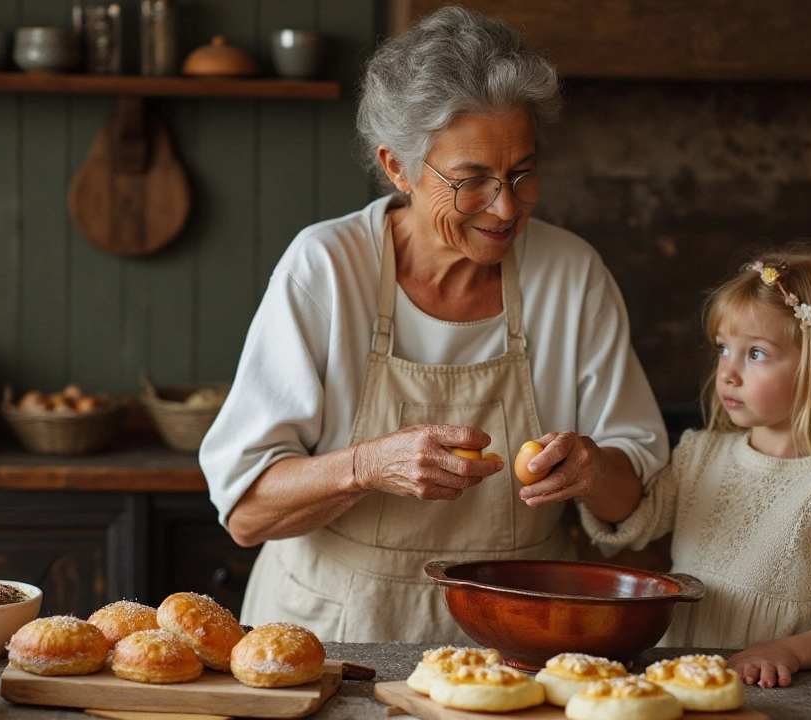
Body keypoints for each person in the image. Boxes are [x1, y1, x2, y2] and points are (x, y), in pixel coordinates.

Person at [199, 6, 668, 643]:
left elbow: (634, 503)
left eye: (522, 172)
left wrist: (591, 468)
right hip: (334, 632)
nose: (506, 208)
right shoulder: (327, 268)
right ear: (398, 167)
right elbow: (248, 512)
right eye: (472, 180)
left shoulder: (571, 272)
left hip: (515, 630)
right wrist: (366, 466)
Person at [583, 247, 811, 688]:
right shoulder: (699, 455)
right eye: (723, 348)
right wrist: (586, 474)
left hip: (781, 697)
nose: (728, 373)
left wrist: (788, 650)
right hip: (680, 684)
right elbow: (635, 523)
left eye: (756, 354)